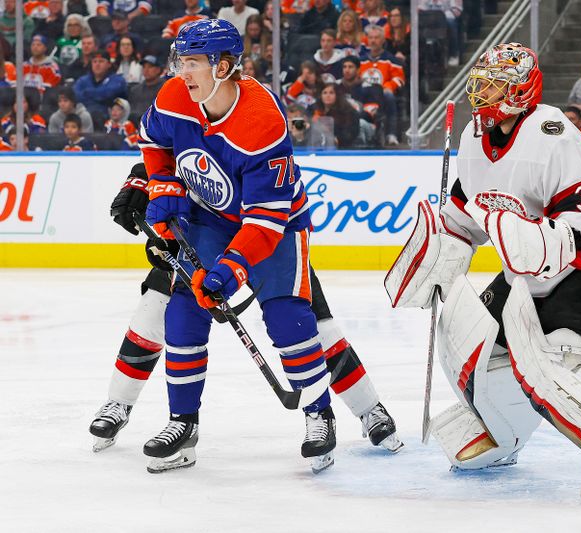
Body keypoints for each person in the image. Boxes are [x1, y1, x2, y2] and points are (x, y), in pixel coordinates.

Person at [386, 42, 581, 505]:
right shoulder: (473, 138)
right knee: (473, 343)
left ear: (521, 91)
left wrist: (542, 246)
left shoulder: (553, 135)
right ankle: (502, 431)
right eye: (480, 85)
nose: (481, 95)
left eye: (494, 87)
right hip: (532, 270)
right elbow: (468, 213)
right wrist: (444, 250)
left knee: (561, 360)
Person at [135, 19, 338, 474]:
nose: (181, 73)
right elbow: (153, 141)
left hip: (277, 224)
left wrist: (228, 271)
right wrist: (164, 190)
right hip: (209, 218)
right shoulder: (174, 97)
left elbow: (265, 220)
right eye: (179, 62)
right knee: (184, 311)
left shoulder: (262, 121)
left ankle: (318, 413)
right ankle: (182, 423)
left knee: (289, 319)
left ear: (224, 66)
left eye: (192, 63)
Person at [89, 161, 401, 456]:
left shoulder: (254, 121)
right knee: (154, 311)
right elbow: (168, 142)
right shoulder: (189, 111)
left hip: (267, 232)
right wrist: (141, 178)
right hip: (203, 230)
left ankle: (368, 408)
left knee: (312, 328)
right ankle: (120, 403)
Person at [359, 24, 404, 145]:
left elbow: (399, 79)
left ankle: (391, 134)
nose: (373, 40)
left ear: (383, 40)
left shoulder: (392, 60)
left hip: (381, 95)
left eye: (377, 38)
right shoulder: (360, 60)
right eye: (371, 38)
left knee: (389, 96)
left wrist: (387, 87)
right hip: (363, 94)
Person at [73, 50, 128, 117]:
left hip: (109, 117)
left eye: (101, 61)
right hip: (85, 116)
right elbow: (76, 96)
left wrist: (87, 92)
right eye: (94, 61)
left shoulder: (118, 80)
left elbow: (108, 94)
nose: (97, 64)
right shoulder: (82, 80)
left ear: (109, 64)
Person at [312, 82, 359, 147]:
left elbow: (350, 133)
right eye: (325, 93)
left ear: (337, 95)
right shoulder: (313, 109)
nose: (327, 95)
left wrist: (336, 140)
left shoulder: (349, 112)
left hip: (343, 149)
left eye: (331, 93)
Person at [129, 55, 166, 119]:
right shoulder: (135, 90)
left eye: (150, 67)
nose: (146, 70)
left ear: (158, 70)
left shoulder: (165, 89)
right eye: (144, 67)